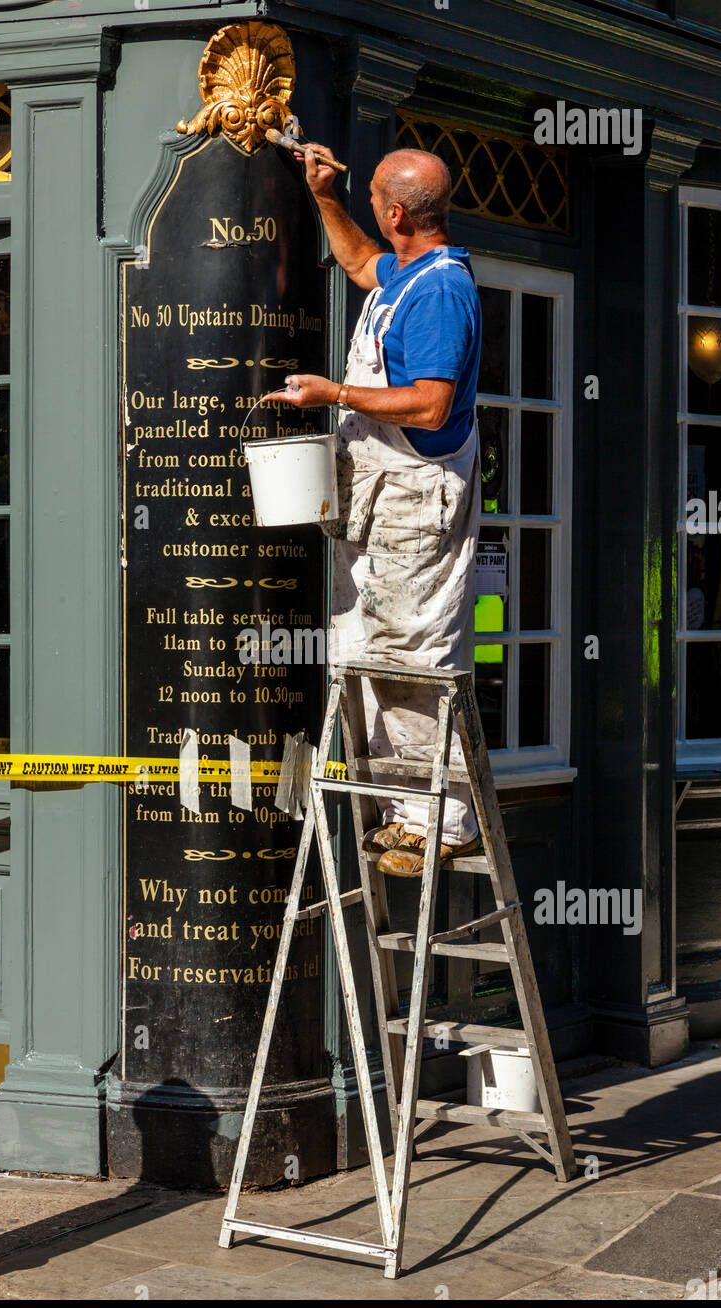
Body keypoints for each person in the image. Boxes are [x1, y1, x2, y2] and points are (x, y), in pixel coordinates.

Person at [266, 144, 483, 878]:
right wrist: (323, 194)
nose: (369, 217)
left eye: (371, 203)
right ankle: (405, 812)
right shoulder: (405, 271)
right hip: (379, 499)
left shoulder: (441, 291)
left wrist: (336, 396)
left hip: (414, 499)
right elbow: (361, 263)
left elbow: (430, 402)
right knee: (366, 651)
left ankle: (443, 823)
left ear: (396, 212)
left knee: (412, 658)